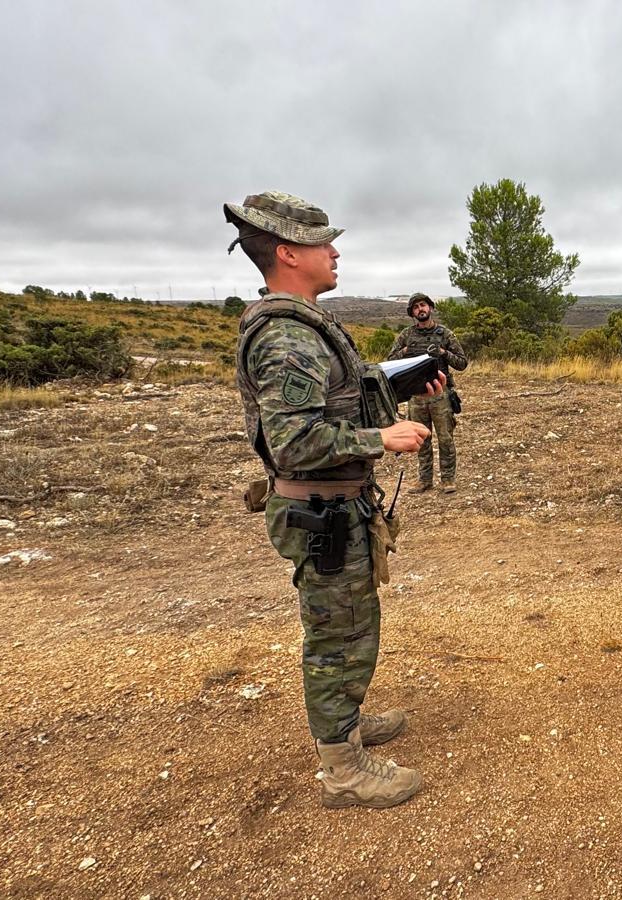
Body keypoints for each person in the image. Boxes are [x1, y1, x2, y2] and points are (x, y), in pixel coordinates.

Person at [226, 191, 441, 810]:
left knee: (351, 624)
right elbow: (295, 441)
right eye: (325, 244)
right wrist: (384, 436)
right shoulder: (286, 339)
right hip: (319, 509)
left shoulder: (304, 328)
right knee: (337, 634)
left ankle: (343, 726)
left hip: (336, 504)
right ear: (290, 254)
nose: (336, 251)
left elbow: (331, 400)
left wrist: (392, 381)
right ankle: (343, 771)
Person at [388, 293, 468, 494]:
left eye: (423, 305)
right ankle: (425, 480)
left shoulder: (445, 334)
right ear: (412, 313)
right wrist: (405, 351)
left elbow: (462, 363)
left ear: (430, 308)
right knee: (421, 440)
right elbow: (390, 361)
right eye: (415, 308)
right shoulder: (406, 335)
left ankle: (448, 480)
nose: (420, 310)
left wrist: (443, 353)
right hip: (416, 396)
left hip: (440, 394)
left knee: (445, 438)